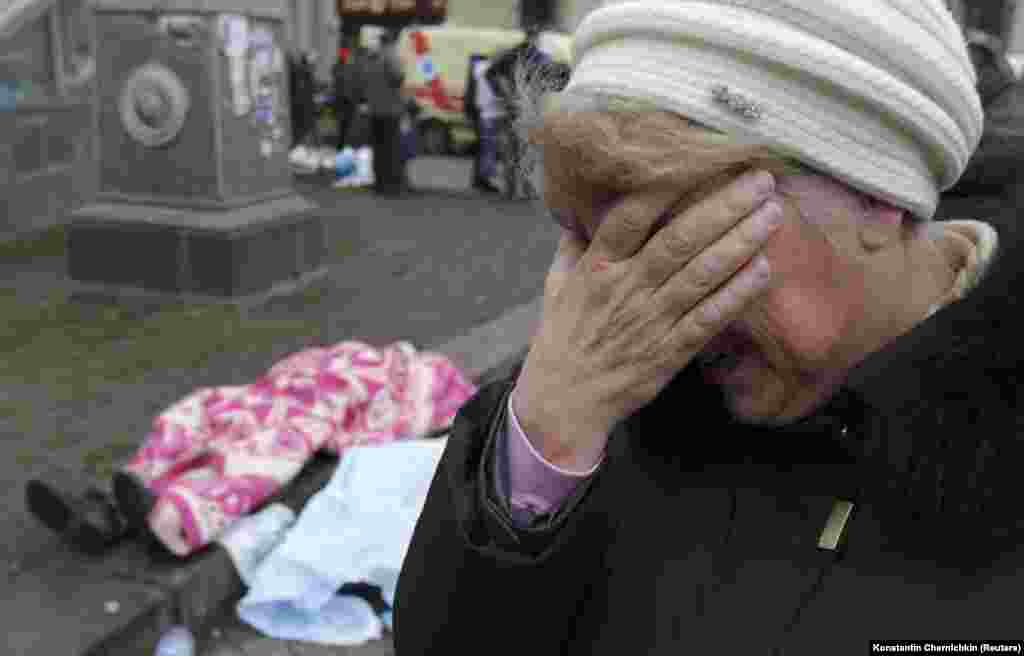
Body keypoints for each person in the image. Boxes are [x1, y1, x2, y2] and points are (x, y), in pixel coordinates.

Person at [393, 1, 1023, 652]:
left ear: (881, 202)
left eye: (690, 233)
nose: (634, 297)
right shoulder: (615, 399)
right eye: (593, 237)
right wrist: (543, 442)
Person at [486, 24, 552, 199]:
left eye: (535, 36)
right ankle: (516, 189)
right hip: (518, 107)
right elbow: (491, 73)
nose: (534, 39)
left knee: (522, 148)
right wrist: (503, 94)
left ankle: (520, 189)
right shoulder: (523, 55)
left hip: (525, 107)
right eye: (533, 36)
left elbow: (491, 73)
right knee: (517, 148)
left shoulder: (537, 57)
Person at [364, 29, 410, 196]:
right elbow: (398, 76)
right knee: (391, 148)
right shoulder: (390, 55)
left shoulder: (371, 58)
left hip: (375, 110)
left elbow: (366, 82)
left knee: (378, 149)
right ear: (391, 41)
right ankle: (392, 186)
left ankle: (379, 183)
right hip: (390, 110)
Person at [466, 54, 503, 193]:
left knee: (483, 148)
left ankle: (480, 179)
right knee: (487, 148)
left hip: (482, 112)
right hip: (489, 113)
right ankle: (483, 179)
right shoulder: (485, 69)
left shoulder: (478, 69)